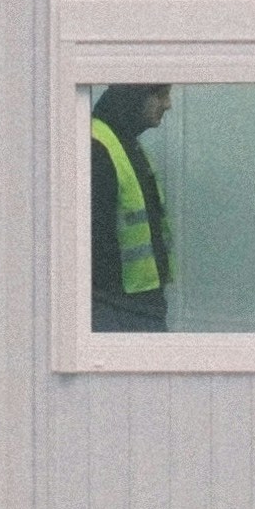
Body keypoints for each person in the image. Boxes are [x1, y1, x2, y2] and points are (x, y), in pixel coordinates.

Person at [89, 82, 175, 333]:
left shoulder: (123, 143)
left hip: (135, 306)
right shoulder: (98, 147)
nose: (167, 105)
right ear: (135, 95)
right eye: (161, 94)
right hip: (114, 309)